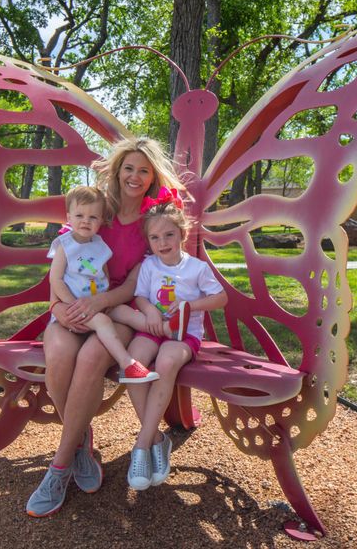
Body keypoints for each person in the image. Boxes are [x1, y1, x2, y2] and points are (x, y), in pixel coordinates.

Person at [26, 137, 185, 518]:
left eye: (143, 170)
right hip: (72, 303)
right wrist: (57, 305)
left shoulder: (152, 220)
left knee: (92, 357)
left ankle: (60, 466)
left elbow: (133, 281)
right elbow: (63, 257)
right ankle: (82, 442)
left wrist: (101, 303)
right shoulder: (98, 208)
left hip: (120, 309)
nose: (135, 176)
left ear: (151, 178)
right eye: (128, 168)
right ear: (117, 170)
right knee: (61, 353)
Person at [118, 199, 228, 491]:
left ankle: (141, 445)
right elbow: (141, 297)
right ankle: (157, 439)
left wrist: (189, 305)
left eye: (168, 234)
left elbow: (220, 297)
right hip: (154, 329)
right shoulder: (149, 266)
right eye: (155, 237)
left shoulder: (196, 268)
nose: (162, 242)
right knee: (133, 362)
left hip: (183, 335)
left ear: (182, 233)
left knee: (166, 362)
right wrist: (150, 311)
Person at [47, 185, 159, 384]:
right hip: (77, 307)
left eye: (93, 217)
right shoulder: (64, 245)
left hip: (97, 306)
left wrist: (104, 302)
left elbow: (104, 276)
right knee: (104, 323)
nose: (85, 221)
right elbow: (55, 279)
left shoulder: (100, 245)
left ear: (101, 221)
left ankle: (166, 329)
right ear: (69, 217)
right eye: (79, 215)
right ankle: (128, 365)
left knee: (125, 312)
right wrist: (73, 305)